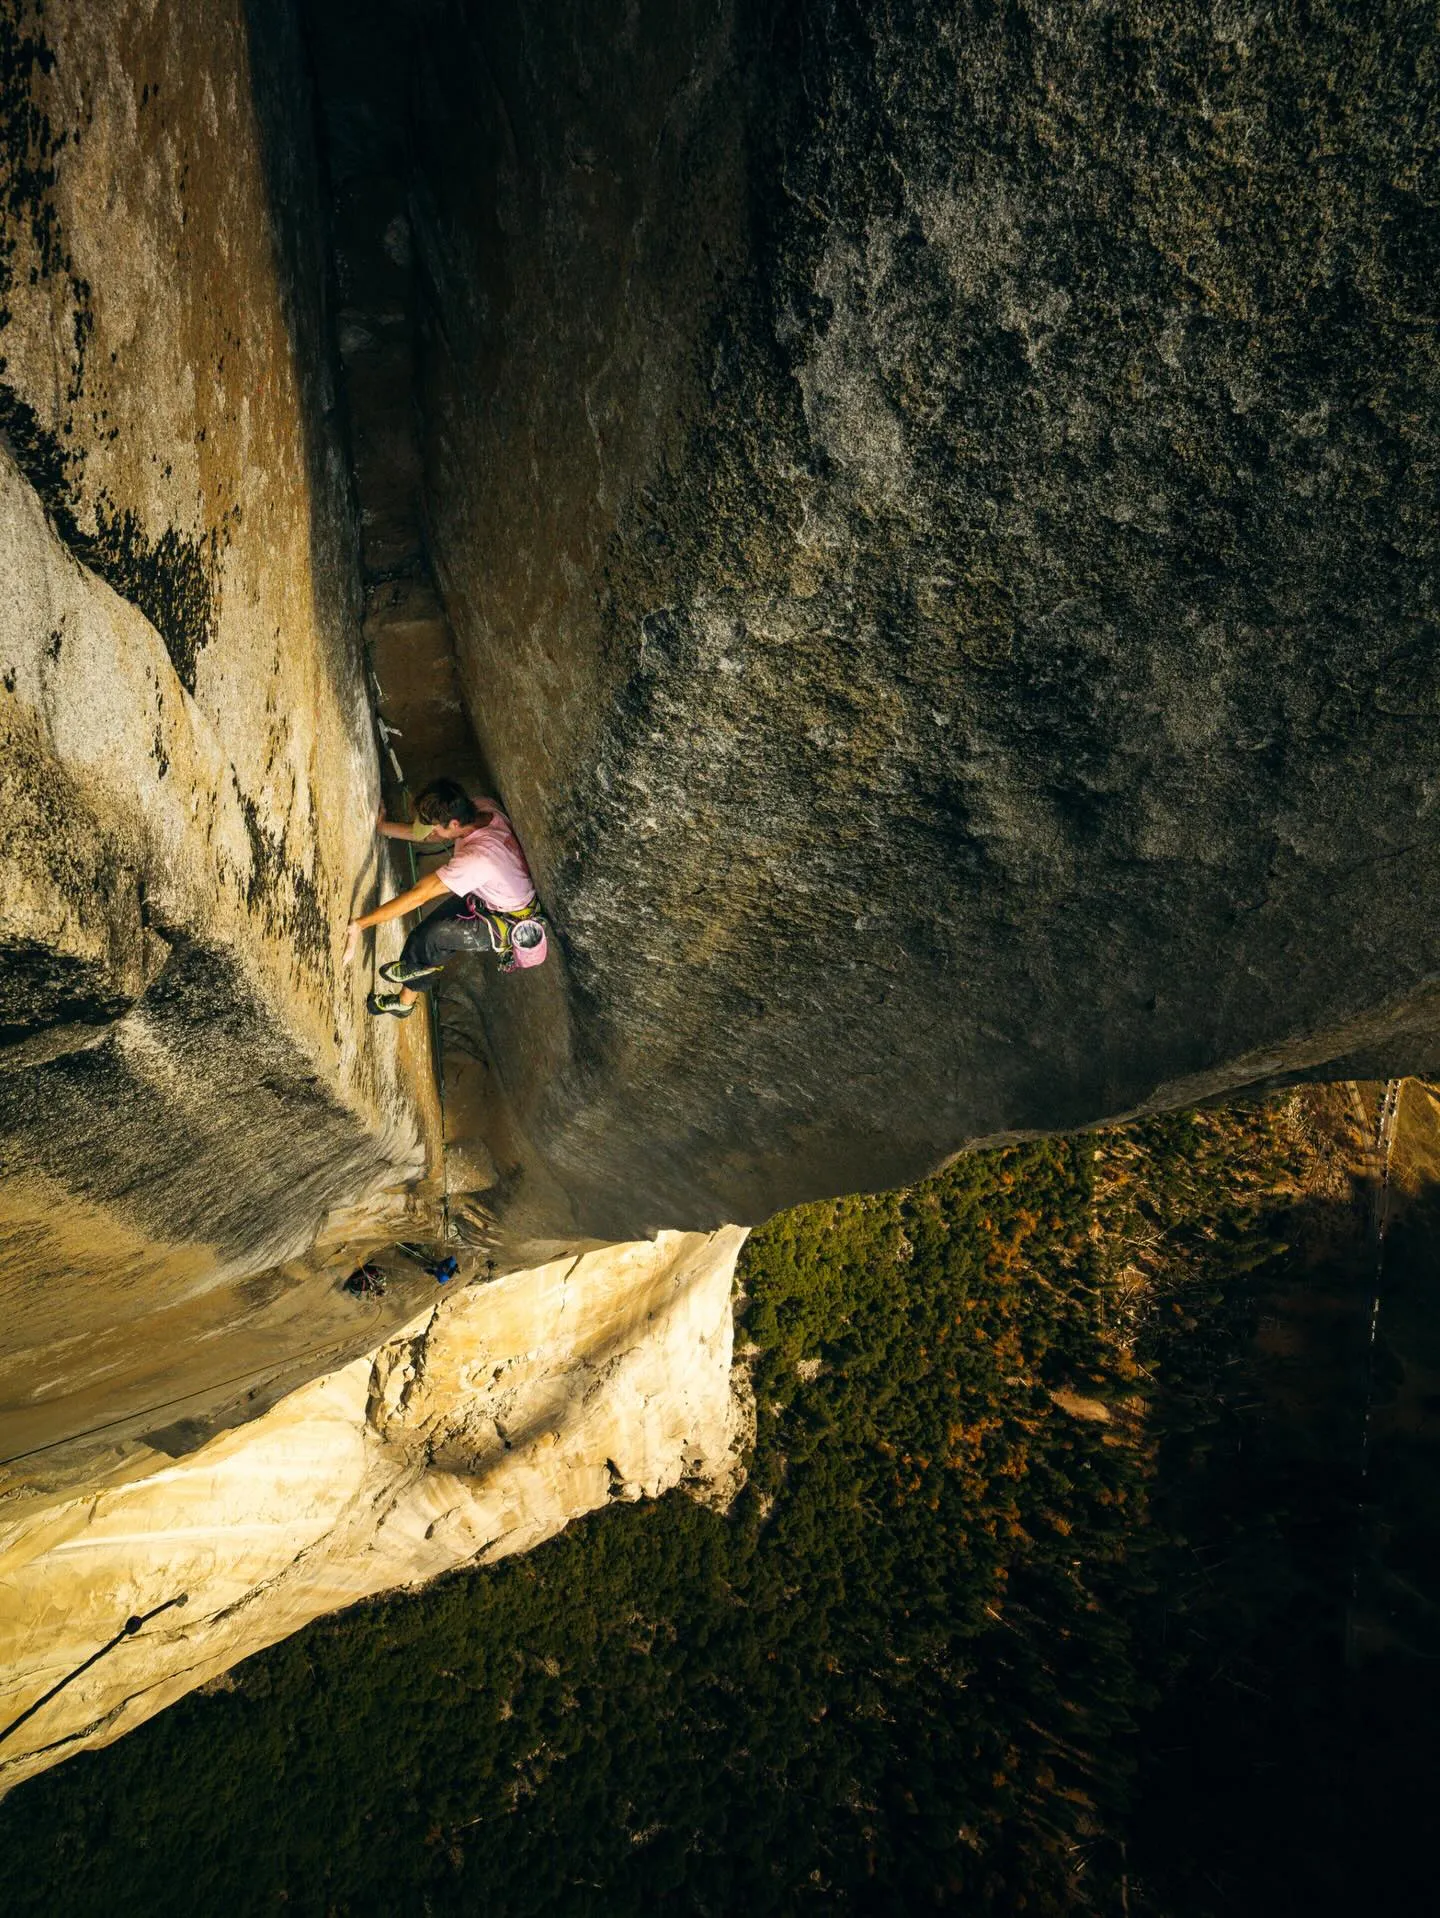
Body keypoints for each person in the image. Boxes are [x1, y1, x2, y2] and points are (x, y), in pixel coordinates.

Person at [342, 778, 548, 1017]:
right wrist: (383, 827)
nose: (433, 831)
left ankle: (416, 979)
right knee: (423, 937)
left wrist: (360, 924)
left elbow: (418, 895)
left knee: (434, 938)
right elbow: (434, 836)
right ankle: (405, 1002)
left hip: (508, 922)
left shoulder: (476, 860)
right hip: (489, 894)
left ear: (454, 823)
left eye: (435, 826)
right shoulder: (481, 807)